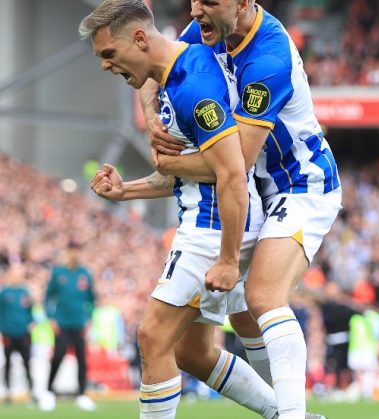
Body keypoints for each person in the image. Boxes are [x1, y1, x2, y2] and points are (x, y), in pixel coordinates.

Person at [141, 1, 342, 417]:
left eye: (210, 2)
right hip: (253, 193)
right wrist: (152, 117)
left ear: (244, 2)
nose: (196, 11)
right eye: (195, 0)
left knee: (263, 296)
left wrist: (167, 163)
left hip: (299, 184)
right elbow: (153, 61)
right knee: (195, 349)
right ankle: (284, 411)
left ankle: (291, 415)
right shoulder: (207, 29)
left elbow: (235, 163)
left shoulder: (268, 58)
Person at [80, 1, 279, 418]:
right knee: (192, 352)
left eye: (109, 54)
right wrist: (126, 191)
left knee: (152, 337)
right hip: (209, 221)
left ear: (139, 39)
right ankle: (286, 413)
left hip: (211, 229)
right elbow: (190, 173)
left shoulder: (193, 85)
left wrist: (228, 259)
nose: (104, 66)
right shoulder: (174, 80)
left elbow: (232, 173)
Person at [40, 241, 96, 412]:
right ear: (67, 252)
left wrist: (89, 318)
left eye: (77, 251)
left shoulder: (85, 274)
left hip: (79, 323)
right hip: (62, 323)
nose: (74, 254)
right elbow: (48, 297)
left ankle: (82, 394)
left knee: (82, 359)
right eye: (72, 251)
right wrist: (51, 318)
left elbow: (92, 299)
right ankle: (48, 392)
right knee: (58, 356)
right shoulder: (58, 273)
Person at [0, 263, 35, 403]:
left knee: (27, 362)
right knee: (8, 363)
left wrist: (31, 323)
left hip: (23, 333)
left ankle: (31, 391)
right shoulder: (4, 293)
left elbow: (30, 311)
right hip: (9, 333)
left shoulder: (24, 292)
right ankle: (8, 391)